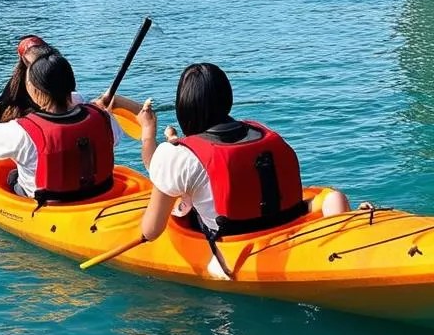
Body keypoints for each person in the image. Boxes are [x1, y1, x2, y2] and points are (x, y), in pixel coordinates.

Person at [137, 63, 363, 248]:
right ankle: (342, 235)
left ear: (183, 106)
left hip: (237, 237)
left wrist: (148, 132)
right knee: (332, 197)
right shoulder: (258, 132)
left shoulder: (176, 155)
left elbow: (151, 232)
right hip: (289, 218)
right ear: (227, 98)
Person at [0, 52, 150, 202]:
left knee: (8, 171)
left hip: (47, 204)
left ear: (34, 91)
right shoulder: (101, 117)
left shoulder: (19, 132)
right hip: (102, 193)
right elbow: (134, 116)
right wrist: (110, 103)